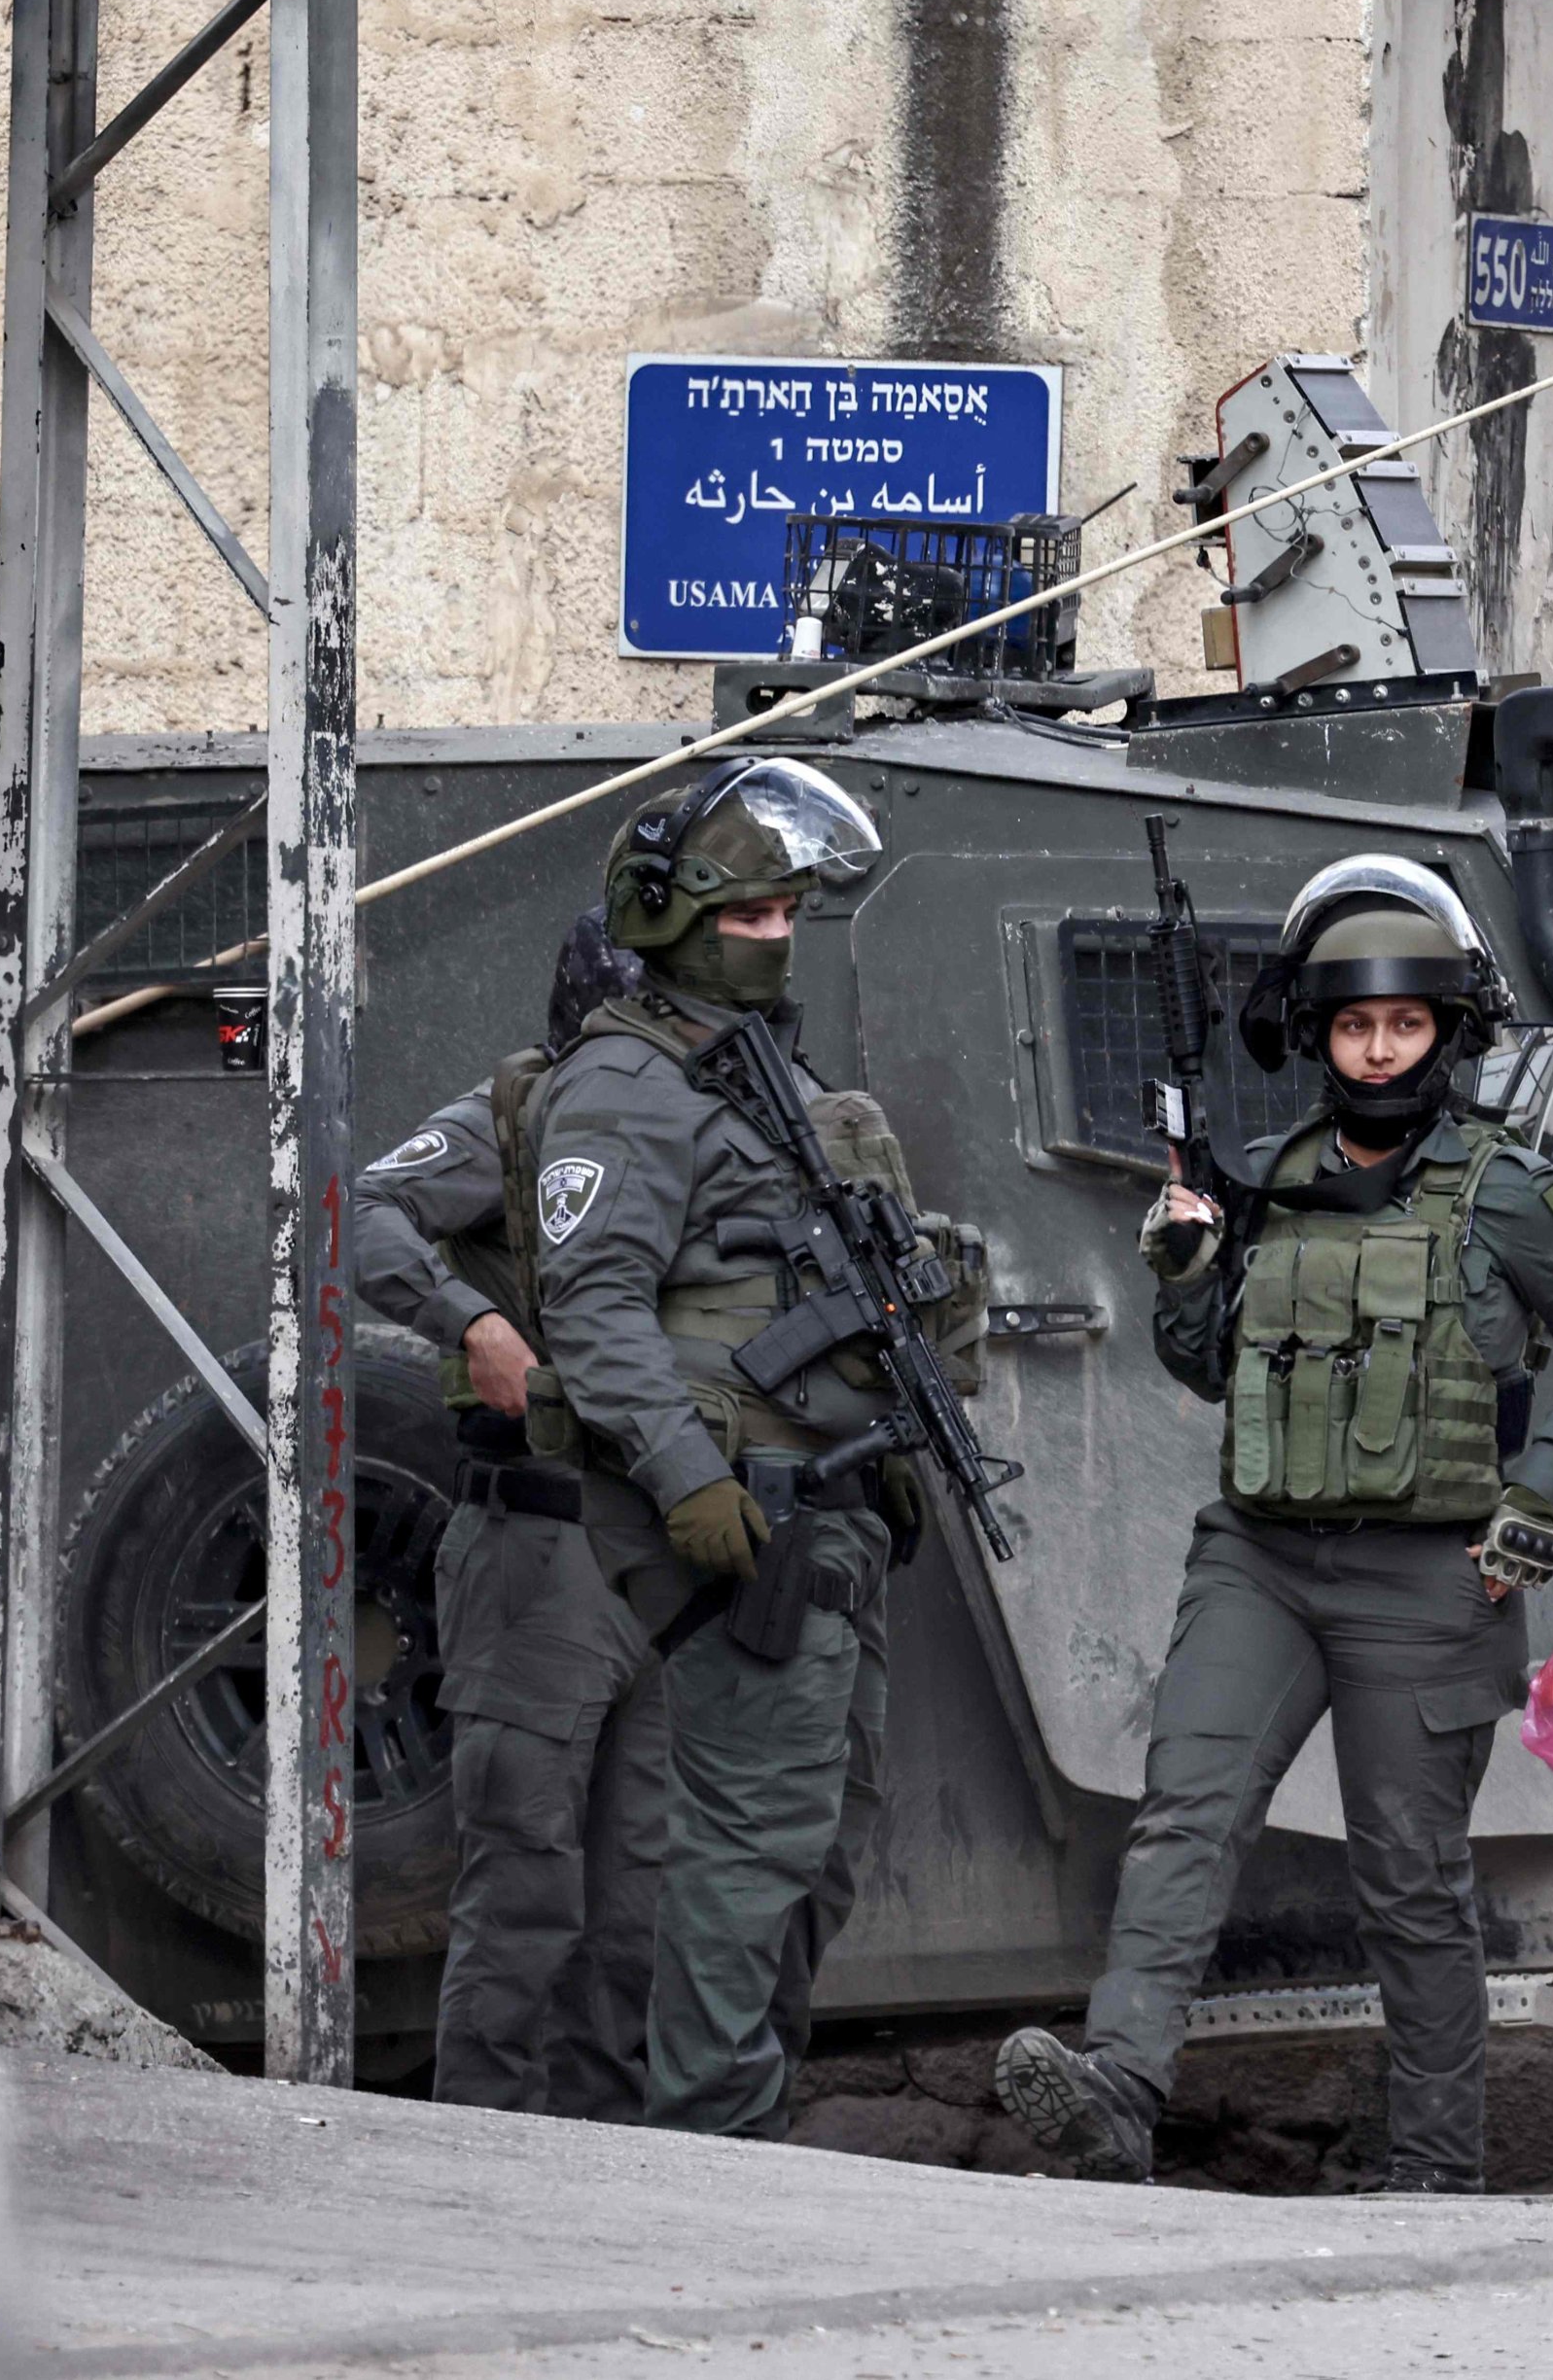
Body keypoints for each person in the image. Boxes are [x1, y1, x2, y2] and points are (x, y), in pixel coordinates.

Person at [993, 859, 1553, 2194]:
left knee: (1410, 1882)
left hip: (1429, 1576)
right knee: (1187, 1810)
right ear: (1320, 1034)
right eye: (1355, 1025)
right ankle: (1118, 2088)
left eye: (1405, 1023)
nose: (1378, 1047)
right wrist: (1181, 1269)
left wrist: (1535, 1504)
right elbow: (1210, 1368)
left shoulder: (1509, 1188)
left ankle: (1434, 2169)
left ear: (1446, 1030)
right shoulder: (1278, 1173)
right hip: (1263, 1555)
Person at [521, 753, 981, 2138]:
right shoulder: (620, 1085)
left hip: (827, 1506)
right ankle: (713, 2139)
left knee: (822, 1843)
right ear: (669, 917)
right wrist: (690, 1478)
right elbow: (590, 1308)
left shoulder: (763, 1075)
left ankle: (746, 2124)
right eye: (752, 917)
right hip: (741, 1516)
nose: (780, 938)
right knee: (748, 1844)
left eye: (793, 914)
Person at [356, 915, 674, 2120]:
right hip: (542, 1540)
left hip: (674, 1550)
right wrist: (470, 1325)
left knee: (643, 1899)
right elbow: (363, 1212)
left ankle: (617, 2184)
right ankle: (484, 2177)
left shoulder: (714, 1130)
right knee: (525, 1886)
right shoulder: (517, 1118)